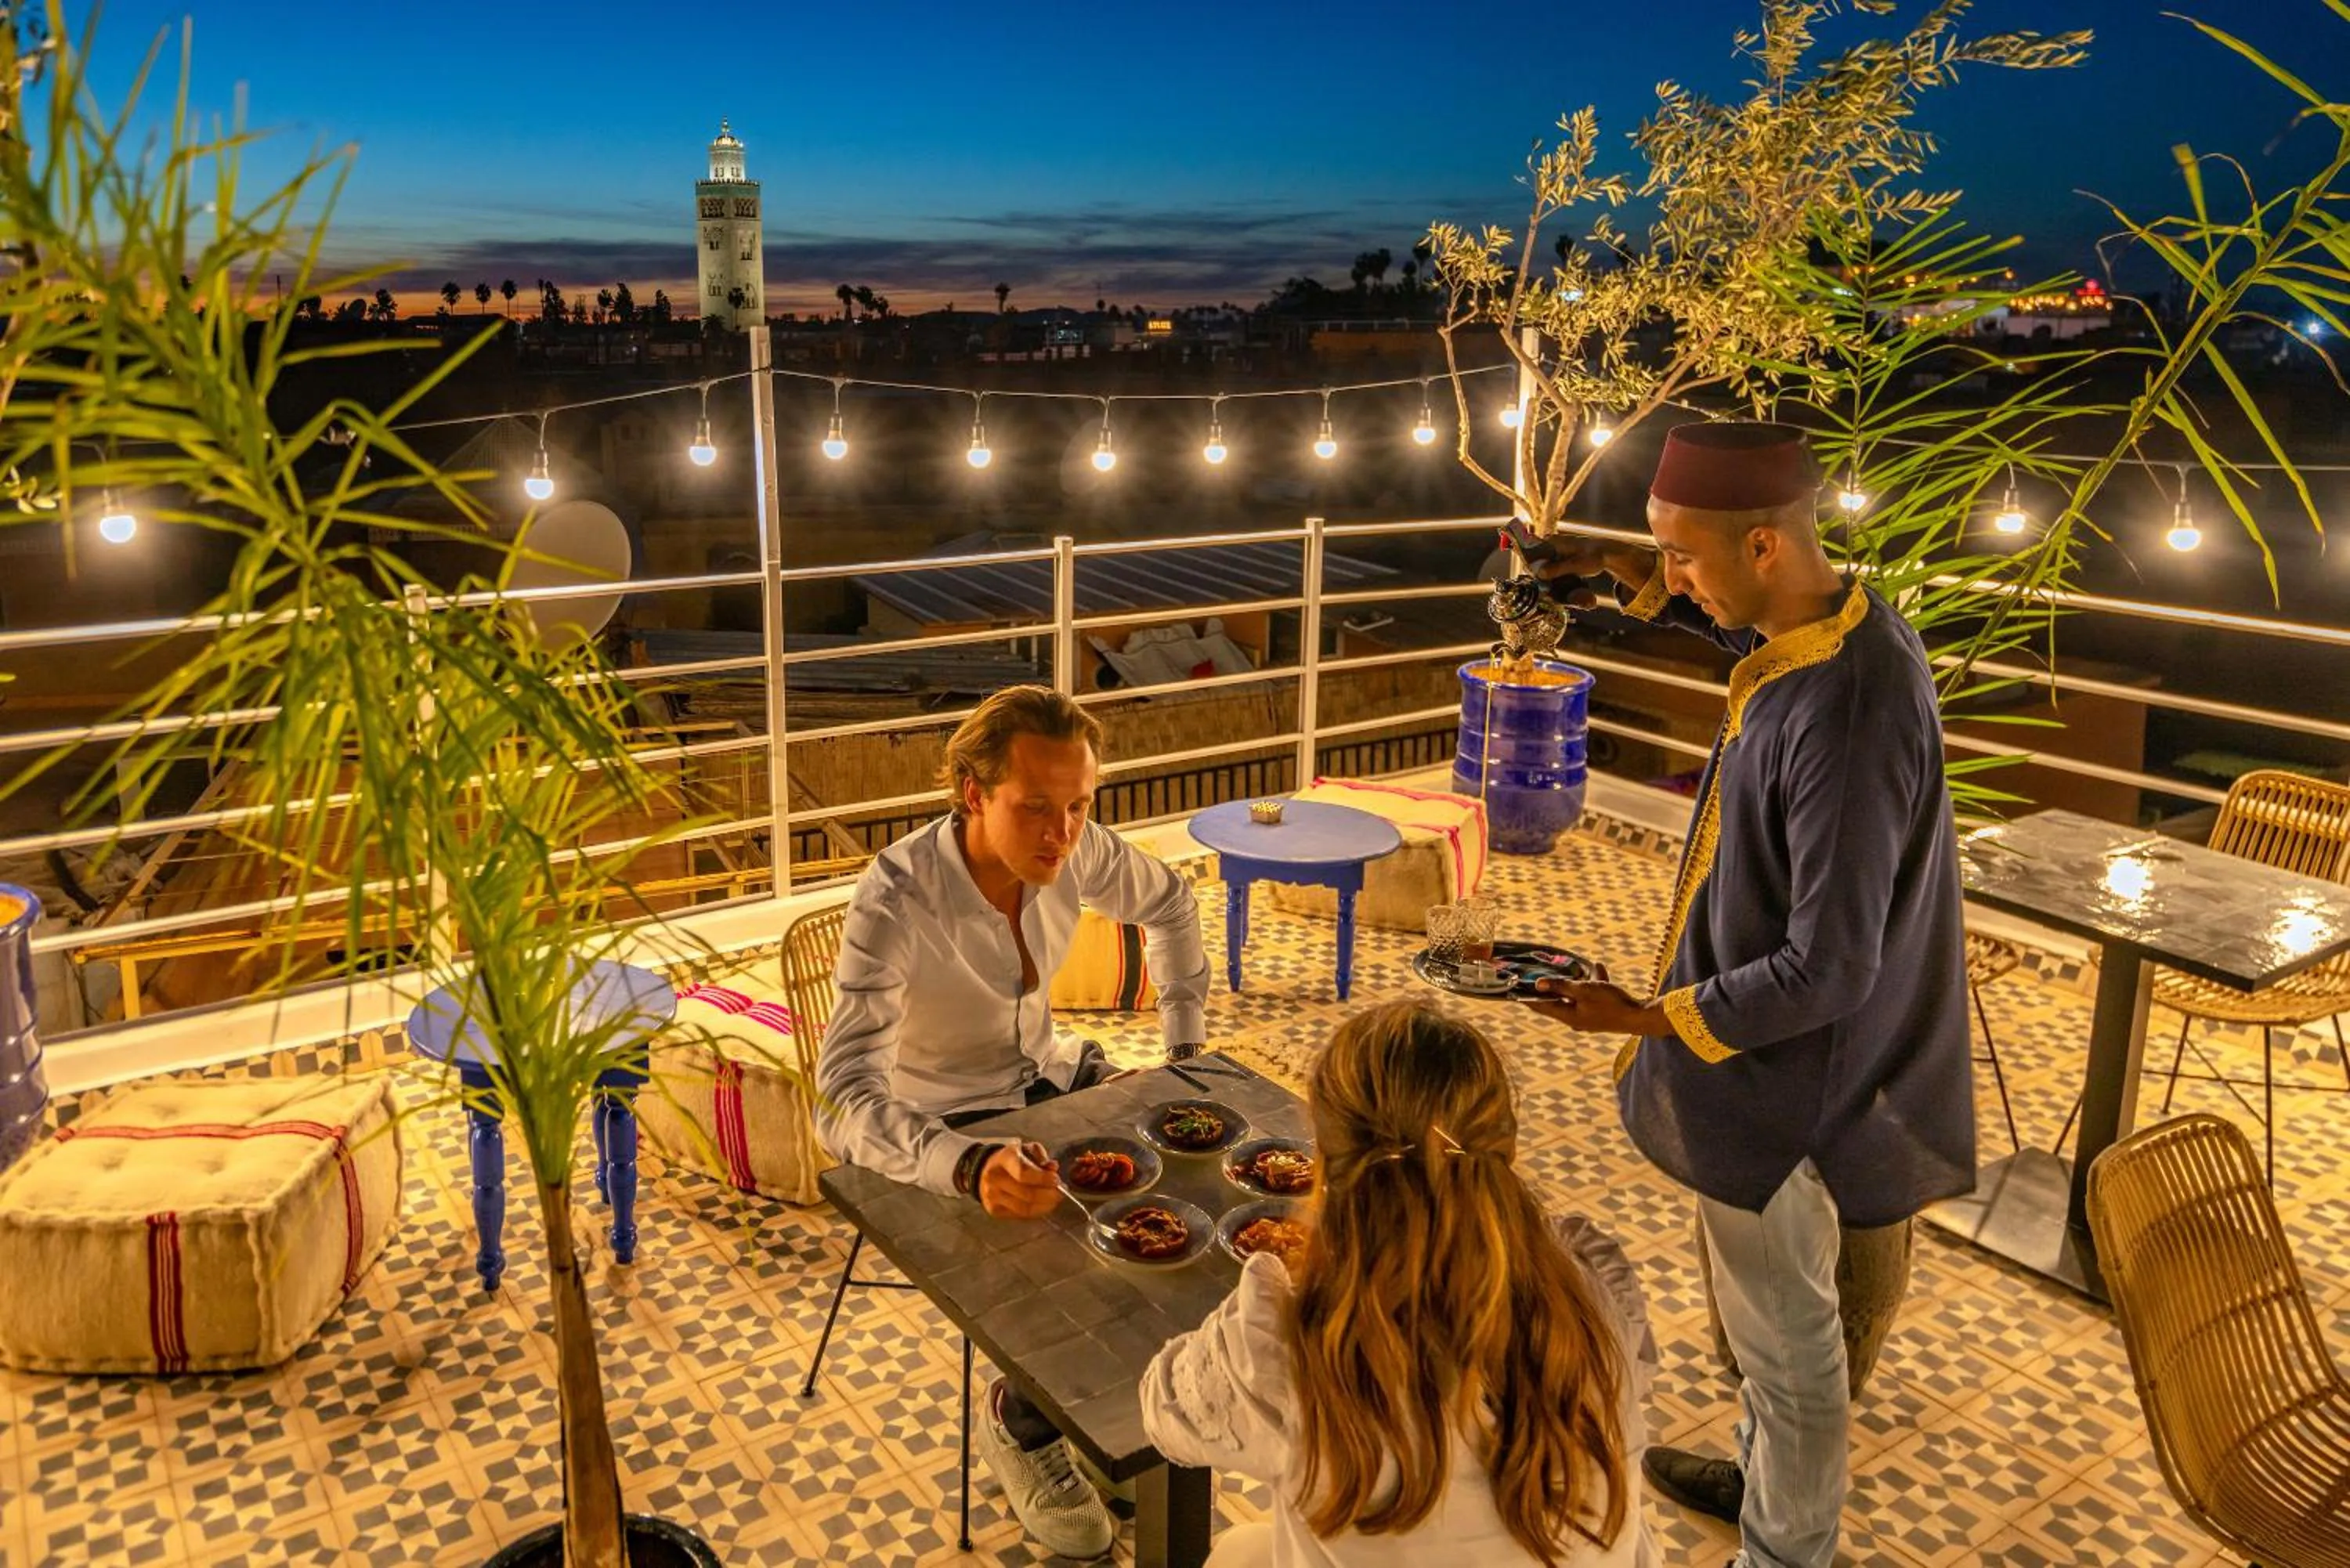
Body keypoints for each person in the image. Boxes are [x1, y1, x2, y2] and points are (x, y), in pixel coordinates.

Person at [1521, 421, 1974, 1568]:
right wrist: (1617, 569)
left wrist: (1643, 1015)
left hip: (1799, 1084)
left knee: (1792, 1347)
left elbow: (1832, 967)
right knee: (1768, 1328)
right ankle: (1763, 1480)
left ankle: (1786, 1552)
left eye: (1679, 553)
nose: (1665, 574)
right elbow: (1715, 608)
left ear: (1765, 544)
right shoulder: (1825, 627)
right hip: (1769, 1055)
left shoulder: (1849, 712)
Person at [815, 683, 1211, 1561]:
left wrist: (1184, 1050)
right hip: (941, 1123)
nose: (1062, 835)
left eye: (1078, 807)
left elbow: (1174, 904)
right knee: (1073, 1250)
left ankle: (1115, 1412)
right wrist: (962, 1164)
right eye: (1036, 807)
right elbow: (839, 1098)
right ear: (972, 793)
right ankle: (1023, 1420)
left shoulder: (1076, 849)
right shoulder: (898, 899)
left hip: (1052, 1081)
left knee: (1190, 1187)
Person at [1139, 999, 1657, 1568]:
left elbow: (1164, 1413)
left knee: (1239, 1552)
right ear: (1505, 1145)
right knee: (1247, 1552)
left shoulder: (1284, 1343)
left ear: (1328, 1165)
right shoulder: (1595, 1290)